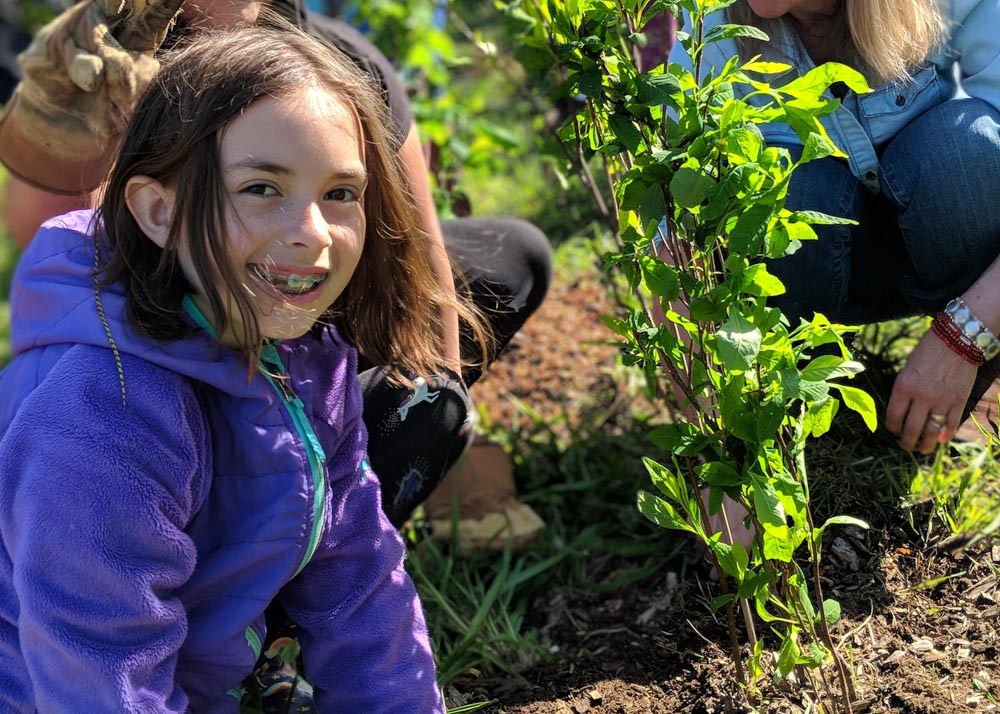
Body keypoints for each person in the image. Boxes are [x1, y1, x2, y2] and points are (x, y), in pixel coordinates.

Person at [0, 18, 464, 710]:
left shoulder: (307, 358)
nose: (311, 232)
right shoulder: (104, 409)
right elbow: (99, 673)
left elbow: (359, 579)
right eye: (260, 189)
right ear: (159, 211)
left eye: (340, 194)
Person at [0, 0, 551, 540]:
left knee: (508, 260)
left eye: (339, 192)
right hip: (177, 342)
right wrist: (80, 128)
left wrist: (434, 416)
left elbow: (418, 254)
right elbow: (51, 241)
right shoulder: (115, 55)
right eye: (260, 185)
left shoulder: (341, 56)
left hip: (306, 330)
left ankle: (328, 533)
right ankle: (224, 546)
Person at [665, 0, 1000, 454]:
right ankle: (800, 401)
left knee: (964, 149)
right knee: (788, 191)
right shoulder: (710, 23)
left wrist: (962, 339)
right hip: (810, 273)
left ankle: (983, 368)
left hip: (938, 245)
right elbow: (675, 245)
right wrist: (717, 457)